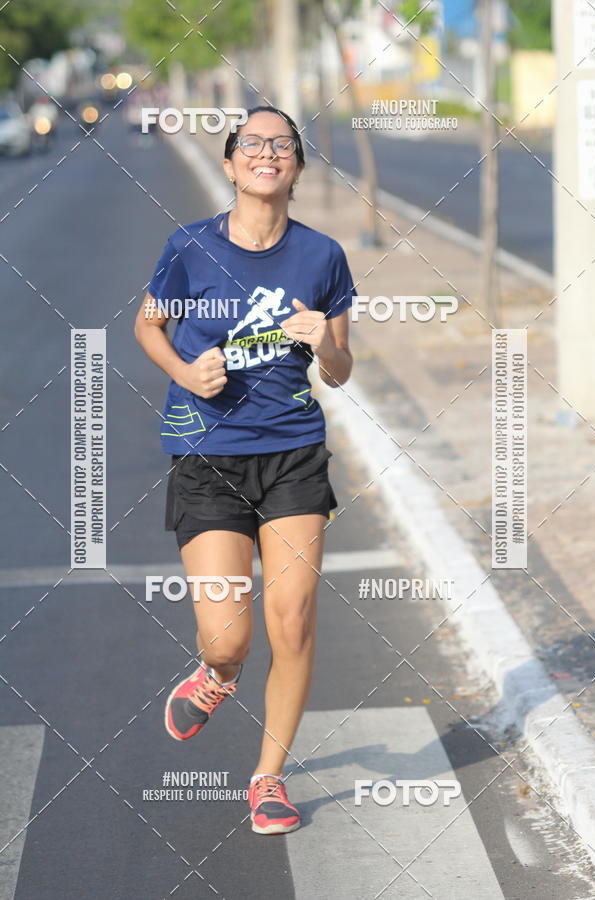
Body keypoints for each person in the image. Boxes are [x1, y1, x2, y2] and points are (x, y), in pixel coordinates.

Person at [134, 105, 354, 834]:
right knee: (228, 636)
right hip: (206, 458)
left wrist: (326, 341)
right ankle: (218, 675)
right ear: (229, 163)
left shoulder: (322, 257)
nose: (268, 153)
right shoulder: (189, 248)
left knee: (291, 624)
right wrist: (183, 374)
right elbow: (148, 324)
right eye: (252, 144)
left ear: (295, 166)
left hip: (292, 454)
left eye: (282, 144)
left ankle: (267, 779)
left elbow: (343, 371)